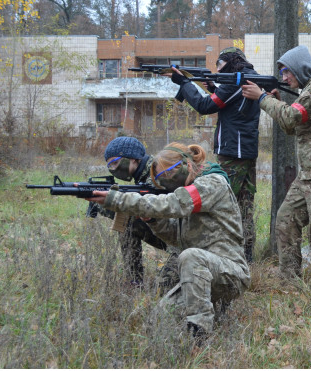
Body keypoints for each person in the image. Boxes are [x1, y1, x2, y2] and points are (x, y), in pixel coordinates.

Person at [86, 142, 249, 340]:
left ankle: (199, 334)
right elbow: (175, 237)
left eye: (169, 174)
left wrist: (118, 200)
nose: (167, 182)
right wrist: (152, 220)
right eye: (162, 179)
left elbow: (175, 203)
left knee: (190, 256)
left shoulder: (212, 183)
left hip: (230, 273)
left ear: (187, 165)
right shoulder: (190, 189)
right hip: (202, 273)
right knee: (159, 318)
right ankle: (213, 307)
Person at [241, 45, 311, 282]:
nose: (284, 77)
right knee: (286, 219)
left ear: (299, 69)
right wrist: (277, 102)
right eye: (282, 74)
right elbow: (291, 126)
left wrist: (261, 98)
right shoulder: (306, 93)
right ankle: (290, 279)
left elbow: (290, 116)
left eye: (286, 72)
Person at [169, 47, 260, 263]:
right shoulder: (244, 80)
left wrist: (184, 83)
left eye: (219, 65)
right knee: (244, 205)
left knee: (222, 202)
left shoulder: (236, 81)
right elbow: (229, 105)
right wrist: (213, 87)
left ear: (228, 63)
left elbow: (204, 106)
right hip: (243, 150)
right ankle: (246, 258)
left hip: (233, 152)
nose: (216, 69)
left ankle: (228, 255)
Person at [89, 136, 178, 289]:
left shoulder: (157, 173)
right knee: (127, 223)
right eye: (110, 165)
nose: (113, 169)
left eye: (115, 163)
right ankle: (133, 282)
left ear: (134, 158)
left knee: (163, 289)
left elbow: (158, 208)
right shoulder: (144, 174)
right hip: (171, 233)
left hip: (187, 241)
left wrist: (111, 204)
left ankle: (135, 281)